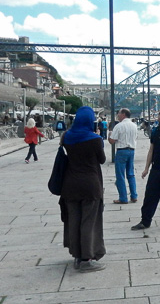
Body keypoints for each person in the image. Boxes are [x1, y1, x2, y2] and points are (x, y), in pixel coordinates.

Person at [60, 106, 107, 272]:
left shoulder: (66, 137)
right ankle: (87, 259)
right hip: (90, 185)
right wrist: (99, 138)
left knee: (74, 221)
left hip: (70, 185)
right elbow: (102, 160)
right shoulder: (94, 139)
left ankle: (77, 255)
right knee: (88, 221)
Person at [108, 108, 138, 204]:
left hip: (121, 151)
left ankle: (123, 197)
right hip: (131, 151)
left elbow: (112, 141)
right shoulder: (134, 126)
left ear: (123, 114)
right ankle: (134, 196)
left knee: (120, 175)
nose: (118, 115)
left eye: (119, 113)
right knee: (130, 174)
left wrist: (109, 135)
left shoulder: (119, 126)